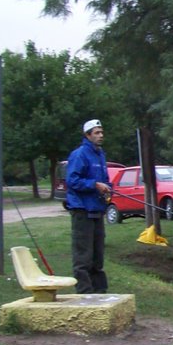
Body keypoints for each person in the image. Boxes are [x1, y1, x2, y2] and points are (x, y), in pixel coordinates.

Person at [65, 119, 112, 294]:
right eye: (96, 133)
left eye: (102, 132)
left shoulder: (100, 154)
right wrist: (94, 185)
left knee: (97, 254)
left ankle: (99, 290)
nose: (100, 136)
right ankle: (84, 292)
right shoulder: (79, 154)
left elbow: (105, 180)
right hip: (82, 210)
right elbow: (72, 181)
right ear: (87, 135)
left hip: (97, 209)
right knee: (83, 255)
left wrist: (107, 189)